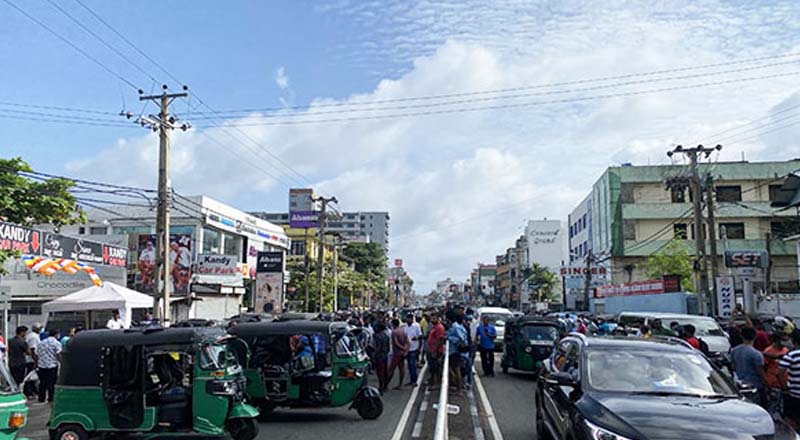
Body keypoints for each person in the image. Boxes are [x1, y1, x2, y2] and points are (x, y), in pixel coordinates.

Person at [731, 326, 767, 406]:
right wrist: (767, 384)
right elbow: (760, 371)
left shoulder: (734, 350)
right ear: (755, 337)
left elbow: (733, 366)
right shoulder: (756, 354)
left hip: (739, 384)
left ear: (741, 336)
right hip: (755, 386)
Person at [763, 332, 789, 413]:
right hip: (773, 384)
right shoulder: (768, 351)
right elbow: (764, 368)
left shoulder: (786, 350)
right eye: (783, 339)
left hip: (784, 384)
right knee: (773, 407)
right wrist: (767, 386)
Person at [779, 331, 800, 429]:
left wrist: (785, 388)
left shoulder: (791, 355)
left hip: (794, 394)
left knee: (792, 419)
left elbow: (780, 373)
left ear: (795, 342)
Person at [37, 329, 62, 404]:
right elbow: (58, 354)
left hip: (42, 365)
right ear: (56, 334)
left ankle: (41, 398)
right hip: (52, 365)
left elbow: (37, 353)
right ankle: (51, 398)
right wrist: (62, 362)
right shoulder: (56, 343)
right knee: (51, 383)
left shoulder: (42, 342)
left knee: (42, 383)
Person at [447, 315, 468, 395]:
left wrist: (449, 338)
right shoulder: (455, 327)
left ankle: (459, 390)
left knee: (457, 370)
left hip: (456, 352)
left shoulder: (456, 327)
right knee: (453, 369)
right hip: (453, 352)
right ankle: (457, 387)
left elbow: (461, 339)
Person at [388, 318, 410, 390]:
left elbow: (396, 343)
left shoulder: (394, 332)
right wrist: (406, 349)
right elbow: (408, 342)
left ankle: (386, 384)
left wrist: (403, 348)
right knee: (401, 368)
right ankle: (400, 384)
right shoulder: (403, 331)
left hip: (397, 353)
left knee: (391, 369)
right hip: (402, 353)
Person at [426, 314, 446, 388]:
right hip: (431, 349)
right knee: (432, 367)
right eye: (432, 319)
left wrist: (435, 351)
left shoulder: (439, 327)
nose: (432, 320)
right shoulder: (434, 327)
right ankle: (433, 381)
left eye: (434, 319)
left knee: (436, 368)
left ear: (438, 319)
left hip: (436, 351)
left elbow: (440, 340)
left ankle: (437, 383)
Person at [404, 314, 422, 387]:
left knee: (412, 365)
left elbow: (420, 335)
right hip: (407, 348)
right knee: (410, 366)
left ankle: (414, 381)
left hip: (414, 348)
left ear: (412, 319)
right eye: (407, 319)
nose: (408, 320)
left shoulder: (416, 326)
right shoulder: (405, 327)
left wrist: (419, 347)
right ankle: (412, 380)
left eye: (409, 319)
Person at [24, 323, 42, 398]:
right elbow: (33, 349)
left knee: (32, 377)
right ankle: (29, 392)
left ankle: (33, 391)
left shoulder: (31, 335)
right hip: (31, 360)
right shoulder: (34, 337)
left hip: (31, 359)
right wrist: (36, 361)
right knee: (30, 377)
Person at [373, 322, 390, 394]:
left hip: (379, 356)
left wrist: (374, 356)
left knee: (380, 372)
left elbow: (377, 348)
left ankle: (381, 387)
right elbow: (388, 347)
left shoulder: (377, 336)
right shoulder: (386, 336)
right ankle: (385, 386)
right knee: (385, 371)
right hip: (385, 355)